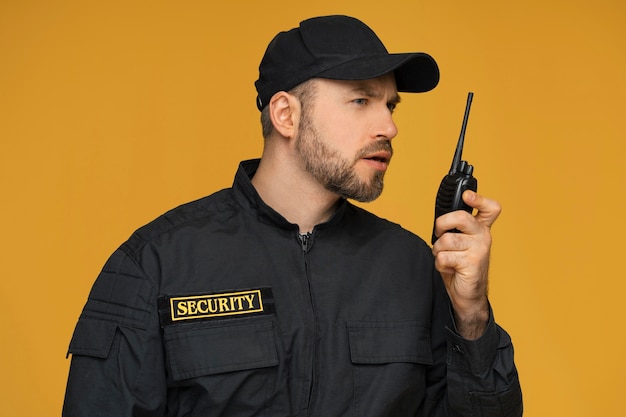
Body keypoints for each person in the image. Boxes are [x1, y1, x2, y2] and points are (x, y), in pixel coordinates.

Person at [63, 15, 523, 417]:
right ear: (285, 114)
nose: (389, 126)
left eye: (390, 104)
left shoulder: (414, 266)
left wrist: (472, 314)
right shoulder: (155, 265)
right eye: (361, 100)